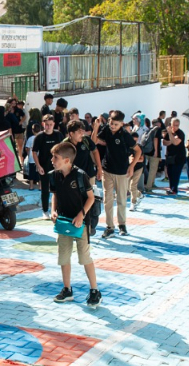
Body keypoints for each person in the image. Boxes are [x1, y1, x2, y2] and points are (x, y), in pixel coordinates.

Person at [48, 142, 101, 309]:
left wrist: (81, 214)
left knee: (84, 257)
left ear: (66, 160)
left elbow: (91, 198)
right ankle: (67, 289)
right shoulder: (55, 175)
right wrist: (53, 210)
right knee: (63, 256)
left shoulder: (80, 175)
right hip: (63, 221)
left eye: (55, 157)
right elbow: (55, 194)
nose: (52, 160)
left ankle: (94, 290)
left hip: (80, 222)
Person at [92, 110, 142, 239]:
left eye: (116, 124)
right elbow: (93, 142)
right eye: (111, 123)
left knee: (121, 199)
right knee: (107, 199)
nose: (113, 126)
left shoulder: (125, 135)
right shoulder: (106, 130)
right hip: (107, 170)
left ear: (121, 124)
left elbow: (138, 151)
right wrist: (96, 127)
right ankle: (109, 226)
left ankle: (122, 225)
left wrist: (131, 166)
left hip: (122, 172)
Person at [30, 115, 63, 216]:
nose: (48, 127)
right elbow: (34, 152)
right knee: (45, 189)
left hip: (57, 167)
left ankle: (59, 209)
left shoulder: (58, 135)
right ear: (43, 124)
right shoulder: (39, 137)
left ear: (54, 124)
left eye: (50, 125)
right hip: (44, 167)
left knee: (59, 188)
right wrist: (38, 166)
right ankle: (45, 210)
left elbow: (63, 149)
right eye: (47, 125)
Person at [163, 117, 187, 195]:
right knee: (169, 173)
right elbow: (164, 142)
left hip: (179, 157)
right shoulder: (168, 133)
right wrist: (171, 140)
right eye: (174, 125)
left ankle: (174, 189)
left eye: (177, 125)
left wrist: (170, 135)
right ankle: (171, 188)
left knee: (175, 174)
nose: (175, 127)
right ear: (171, 124)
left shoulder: (180, 133)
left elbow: (176, 143)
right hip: (170, 156)